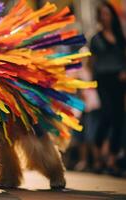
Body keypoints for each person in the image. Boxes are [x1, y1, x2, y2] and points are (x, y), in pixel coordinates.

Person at [90, 2, 126, 175]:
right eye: (103, 14)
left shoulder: (120, 37)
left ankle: (111, 161)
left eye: (108, 13)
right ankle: (98, 156)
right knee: (107, 115)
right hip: (103, 80)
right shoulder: (95, 38)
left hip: (120, 81)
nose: (106, 17)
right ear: (99, 17)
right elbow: (91, 64)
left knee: (119, 118)